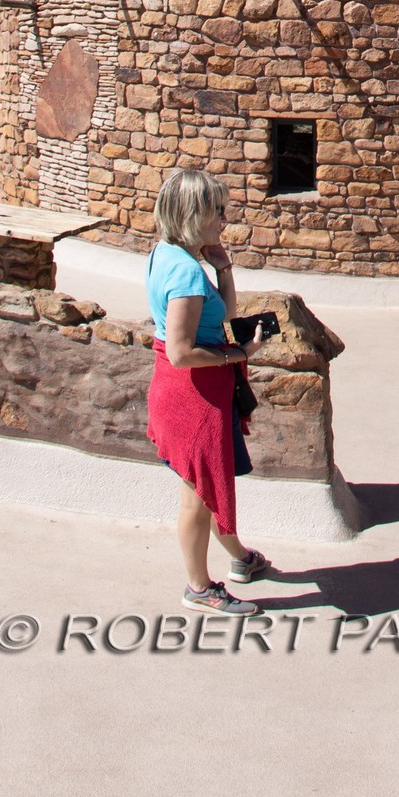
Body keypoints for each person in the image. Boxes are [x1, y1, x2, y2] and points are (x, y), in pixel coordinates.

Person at [145, 167, 276, 614]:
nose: (224, 218)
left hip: (191, 392)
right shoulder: (184, 274)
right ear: (193, 213)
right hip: (193, 395)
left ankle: (240, 559)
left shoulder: (170, 254)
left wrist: (223, 267)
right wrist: (240, 354)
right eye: (217, 211)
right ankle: (199, 589)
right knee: (198, 496)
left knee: (209, 486)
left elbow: (227, 311)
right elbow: (182, 352)